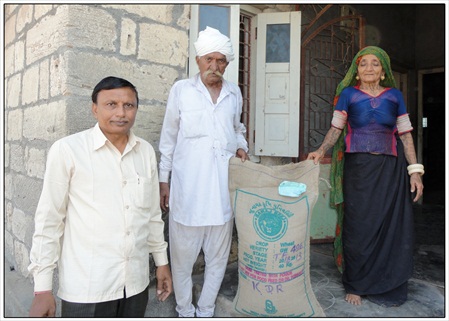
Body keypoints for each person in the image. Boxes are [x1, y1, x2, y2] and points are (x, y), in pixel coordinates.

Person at [28, 76, 172, 317]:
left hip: (135, 285)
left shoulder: (145, 151)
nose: (121, 113)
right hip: (88, 288)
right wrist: (42, 289)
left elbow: (152, 215)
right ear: (94, 109)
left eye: (129, 105)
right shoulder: (68, 150)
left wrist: (161, 262)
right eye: (111, 104)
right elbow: (49, 220)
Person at [307, 46, 424, 307]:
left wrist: (415, 172)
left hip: (390, 171)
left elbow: (405, 135)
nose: (369, 68)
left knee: (390, 226)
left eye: (375, 64)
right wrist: (320, 150)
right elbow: (336, 129)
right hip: (358, 168)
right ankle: (356, 283)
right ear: (356, 71)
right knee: (358, 225)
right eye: (363, 64)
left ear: (383, 71)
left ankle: (387, 280)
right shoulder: (348, 94)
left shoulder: (394, 96)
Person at [159, 26, 250, 317]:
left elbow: (237, 129)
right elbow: (168, 140)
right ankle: (185, 309)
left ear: (227, 63)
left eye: (221, 60)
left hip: (222, 193)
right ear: (198, 60)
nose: (215, 66)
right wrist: (164, 180)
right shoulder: (181, 91)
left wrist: (241, 147)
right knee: (182, 261)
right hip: (187, 193)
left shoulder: (234, 93)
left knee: (218, 259)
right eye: (209, 59)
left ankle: (206, 308)